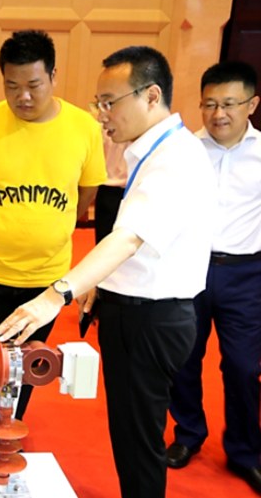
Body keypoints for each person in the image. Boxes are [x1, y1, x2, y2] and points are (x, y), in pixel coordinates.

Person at [0, 46, 217, 498]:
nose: (102, 115)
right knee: (129, 437)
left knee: (139, 444)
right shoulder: (151, 151)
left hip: (151, 318)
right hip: (133, 308)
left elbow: (129, 238)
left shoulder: (176, 158)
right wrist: (101, 284)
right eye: (99, 103)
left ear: (151, 96)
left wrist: (55, 295)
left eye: (110, 102)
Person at [0, 29, 106, 419]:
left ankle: (10, 428)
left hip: (46, 281)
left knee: (27, 367)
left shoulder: (84, 128)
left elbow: (85, 195)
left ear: (53, 76)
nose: (23, 96)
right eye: (12, 86)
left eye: (34, 85)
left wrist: (49, 229)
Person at [165, 61, 261, 495]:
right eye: (209, 104)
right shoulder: (184, 150)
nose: (218, 114)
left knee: (243, 366)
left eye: (229, 104)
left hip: (246, 274)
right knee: (183, 358)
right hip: (190, 268)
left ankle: (245, 452)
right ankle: (188, 434)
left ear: (251, 105)